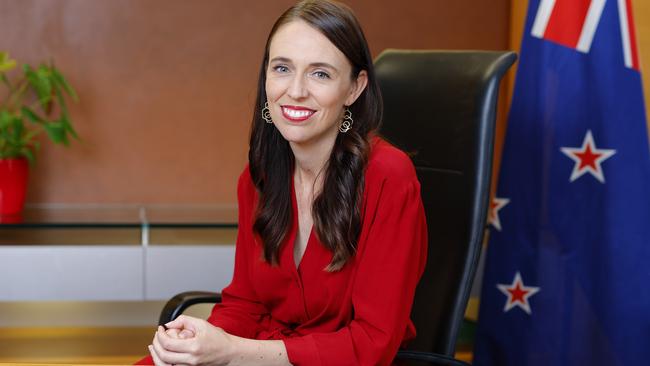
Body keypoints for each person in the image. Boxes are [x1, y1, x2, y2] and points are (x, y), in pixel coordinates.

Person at [139, 0, 427, 365]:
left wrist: (232, 352)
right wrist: (200, 342)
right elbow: (246, 305)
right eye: (282, 68)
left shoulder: (389, 176)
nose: (295, 91)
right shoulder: (260, 174)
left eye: (320, 73)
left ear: (354, 89)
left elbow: (372, 344)